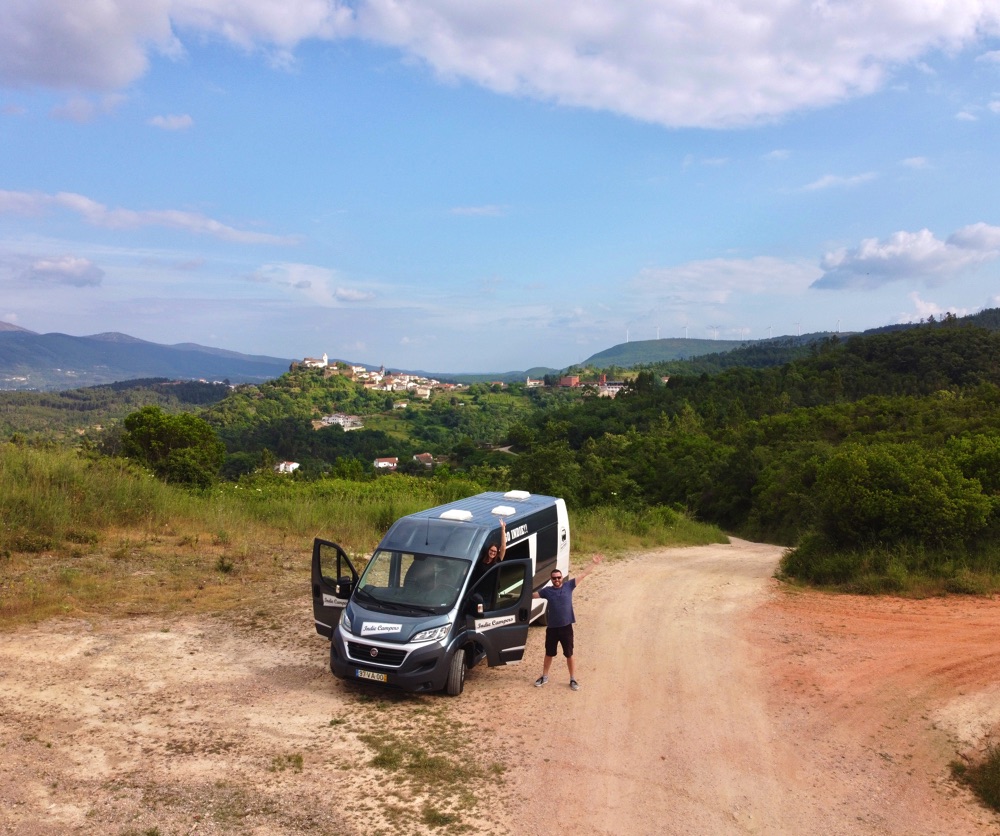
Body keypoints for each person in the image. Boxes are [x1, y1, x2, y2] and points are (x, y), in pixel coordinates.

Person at [533, 553, 604, 691]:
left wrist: (594, 564)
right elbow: (533, 596)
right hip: (552, 629)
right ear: (551, 579)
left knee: (569, 654)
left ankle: (572, 679)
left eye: (559, 577)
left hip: (566, 628)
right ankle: (545, 677)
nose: (557, 580)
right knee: (549, 653)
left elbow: (583, 574)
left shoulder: (569, 586)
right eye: (554, 578)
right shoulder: (547, 591)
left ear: (562, 578)